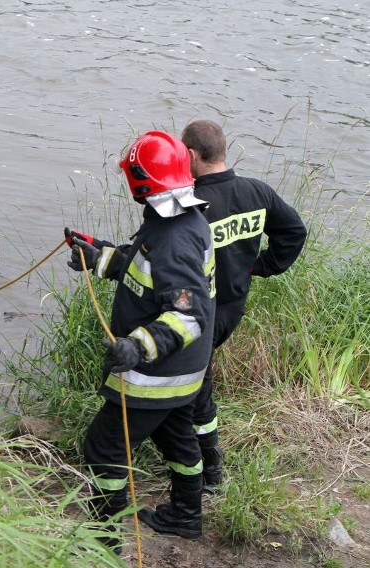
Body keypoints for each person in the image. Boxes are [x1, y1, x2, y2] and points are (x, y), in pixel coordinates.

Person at [66, 130, 216, 546]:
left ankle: (103, 538)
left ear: (140, 181)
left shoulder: (172, 238)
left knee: (103, 448)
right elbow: (146, 273)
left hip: (156, 376)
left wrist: (137, 346)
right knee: (180, 439)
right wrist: (99, 257)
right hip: (186, 374)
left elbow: (190, 316)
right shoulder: (181, 219)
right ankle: (187, 515)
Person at [181, 119, 307, 491]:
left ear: (191, 154)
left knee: (195, 383)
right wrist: (262, 266)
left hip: (199, 311)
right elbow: (294, 231)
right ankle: (195, 455)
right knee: (194, 378)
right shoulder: (257, 192)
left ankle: (209, 468)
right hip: (232, 308)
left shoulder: (193, 204)